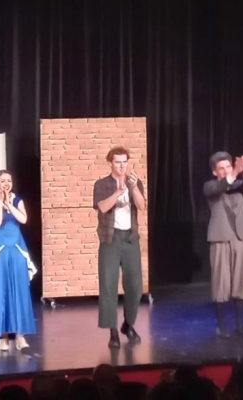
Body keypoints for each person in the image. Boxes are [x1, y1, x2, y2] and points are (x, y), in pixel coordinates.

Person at [92, 146, 146, 348]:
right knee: (108, 286)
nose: (122, 166)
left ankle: (128, 324)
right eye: (118, 162)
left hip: (130, 238)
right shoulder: (102, 184)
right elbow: (103, 207)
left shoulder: (135, 182)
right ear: (110, 163)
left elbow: (142, 206)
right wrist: (118, 192)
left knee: (135, 285)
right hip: (110, 239)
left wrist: (133, 188)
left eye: (125, 162)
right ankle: (113, 332)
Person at [0, 170, 37, 351]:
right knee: (1, 292)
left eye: (9, 181)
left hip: (16, 248)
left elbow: (23, 219)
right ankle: (4, 337)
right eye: (3, 181)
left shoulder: (17, 200)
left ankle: (20, 337)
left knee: (19, 291)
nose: (6, 184)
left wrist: (9, 204)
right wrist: (0, 202)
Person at [204, 152, 243, 338]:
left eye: (229, 166)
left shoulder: (238, 185)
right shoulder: (210, 186)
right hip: (221, 236)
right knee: (221, 281)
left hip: (241, 236)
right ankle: (221, 326)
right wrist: (234, 172)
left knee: (241, 281)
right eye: (222, 168)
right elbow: (220, 187)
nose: (226, 170)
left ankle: (240, 325)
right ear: (215, 172)